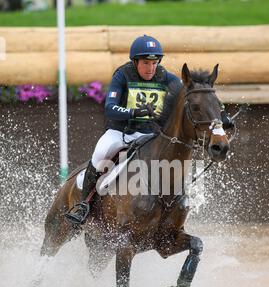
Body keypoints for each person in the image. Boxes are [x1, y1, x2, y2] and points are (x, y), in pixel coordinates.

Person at [65, 35, 234, 225]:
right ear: (135, 62)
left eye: (154, 63)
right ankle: (83, 205)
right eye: (146, 63)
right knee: (100, 155)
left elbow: (194, 99)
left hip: (151, 135)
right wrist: (135, 112)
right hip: (121, 133)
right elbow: (110, 108)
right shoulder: (123, 75)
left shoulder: (168, 79)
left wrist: (220, 118)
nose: (151, 68)